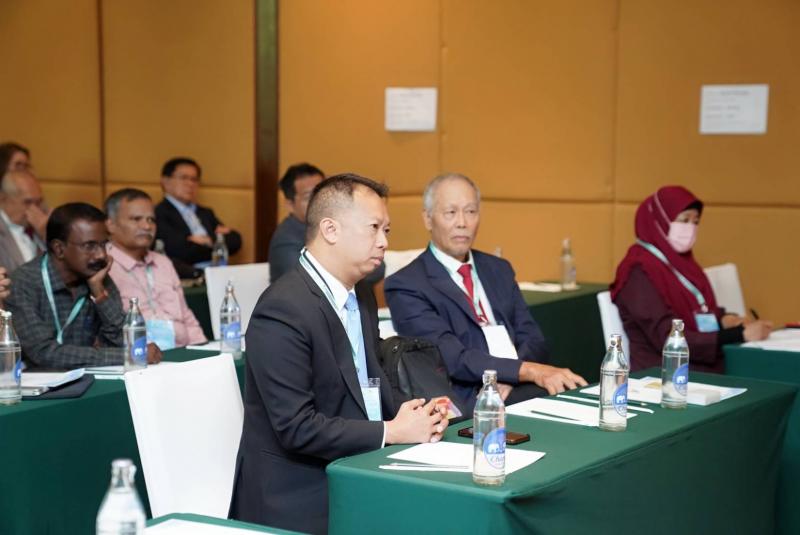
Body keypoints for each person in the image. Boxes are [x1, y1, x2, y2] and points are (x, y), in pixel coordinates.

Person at [229, 174, 448, 534]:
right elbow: (296, 428)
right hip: (300, 490)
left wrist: (415, 413)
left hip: (360, 464)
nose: (384, 242)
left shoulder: (360, 294)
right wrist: (391, 431)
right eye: (374, 228)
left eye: (386, 231)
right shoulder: (283, 309)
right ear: (330, 230)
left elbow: (368, 381)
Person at [385, 173, 587, 411]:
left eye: (471, 211)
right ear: (428, 219)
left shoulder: (498, 269)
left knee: (569, 389)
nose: (462, 222)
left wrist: (511, 375)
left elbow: (534, 338)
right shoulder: (407, 284)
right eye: (450, 212)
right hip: (468, 395)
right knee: (555, 396)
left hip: (514, 384)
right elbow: (452, 358)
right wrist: (525, 371)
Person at [611, 185, 772, 373]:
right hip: (665, 374)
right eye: (684, 220)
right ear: (659, 220)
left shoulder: (683, 262)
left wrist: (725, 320)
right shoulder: (637, 270)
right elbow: (668, 338)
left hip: (702, 366)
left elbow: (697, 311)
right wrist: (739, 335)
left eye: (696, 222)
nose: (690, 228)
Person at [5, 202, 162, 369]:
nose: (101, 255)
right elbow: (44, 352)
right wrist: (128, 356)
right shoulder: (24, 282)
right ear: (59, 249)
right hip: (38, 380)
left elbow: (125, 341)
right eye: (90, 246)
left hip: (87, 376)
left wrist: (100, 295)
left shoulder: (97, 276)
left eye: (103, 244)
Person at [105, 188, 206, 349]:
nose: (147, 226)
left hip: (182, 353)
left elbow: (187, 317)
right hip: (136, 356)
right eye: (136, 219)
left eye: (151, 220)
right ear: (110, 224)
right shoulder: (104, 266)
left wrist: (202, 350)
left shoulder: (163, 263)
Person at [269, 163, 386, 284]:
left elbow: (378, 268)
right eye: (309, 196)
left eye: (321, 193)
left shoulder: (337, 224)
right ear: (290, 204)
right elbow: (311, 280)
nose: (318, 200)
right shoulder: (286, 241)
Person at [154, 157, 242, 277]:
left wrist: (207, 240)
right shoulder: (158, 213)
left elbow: (235, 241)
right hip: (186, 276)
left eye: (194, 179)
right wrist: (217, 245)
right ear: (165, 181)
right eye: (184, 178)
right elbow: (180, 252)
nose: (190, 184)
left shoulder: (205, 213)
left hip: (217, 274)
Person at [0, 170, 49, 272]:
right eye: (28, 202)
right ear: (3, 198)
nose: (35, 209)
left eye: (38, 202)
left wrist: (46, 234)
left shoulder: (43, 225)